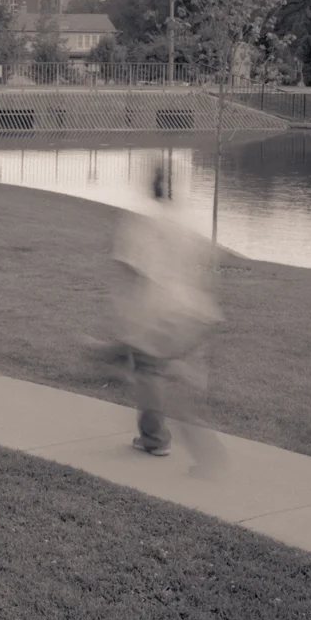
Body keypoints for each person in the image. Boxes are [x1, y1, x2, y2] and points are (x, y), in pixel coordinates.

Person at [110, 163, 226, 472]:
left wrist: (128, 321)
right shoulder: (187, 223)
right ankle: (201, 455)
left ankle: (155, 440)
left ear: (151, 184)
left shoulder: (143, 223)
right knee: (179, 381)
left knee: (149, 372)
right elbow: (206, 269)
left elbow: (132, 270)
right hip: (196, 312)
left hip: (161, 311)